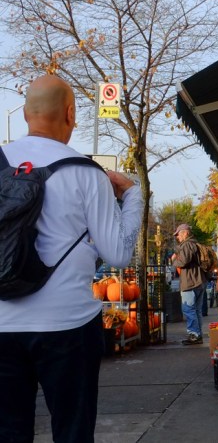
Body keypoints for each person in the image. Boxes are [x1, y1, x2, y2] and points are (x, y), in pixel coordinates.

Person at [0, 74, 143, 442]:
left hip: (2, 326)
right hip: (67, 326)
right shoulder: (85, 172)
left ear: (27, 114)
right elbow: (117, 253)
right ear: (69, 113)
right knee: (73, 432)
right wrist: (132, 197)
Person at [171, 223, 206, 345]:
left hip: (190, 283)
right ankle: (198, 334)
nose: (177, 238)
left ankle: (194, 335)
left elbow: (182, 262)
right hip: (199, 282)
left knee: (188, 309)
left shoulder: (187, 245)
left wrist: (174, 259)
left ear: (185, 233)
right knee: (196, 310)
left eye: (179, 235)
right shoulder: (196, 244)